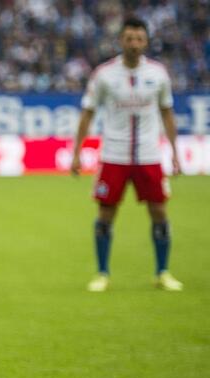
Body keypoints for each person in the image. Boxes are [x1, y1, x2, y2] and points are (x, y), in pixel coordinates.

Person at [71, 16, 183, 292]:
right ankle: (102, 273)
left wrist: (175, 153)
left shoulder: (158, 74)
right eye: (129, 38)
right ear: (121, 40)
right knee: (106, 213)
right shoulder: (104, 74)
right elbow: (87, 114)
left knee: (159, 211)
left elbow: (168, 115)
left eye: (139, 39)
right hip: (114, 154)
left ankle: (162, 271)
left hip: (149, 154)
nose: (134, 44)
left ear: (146, 41)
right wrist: (76, 153)